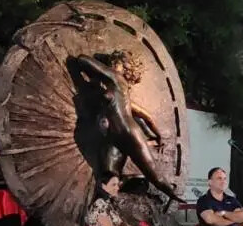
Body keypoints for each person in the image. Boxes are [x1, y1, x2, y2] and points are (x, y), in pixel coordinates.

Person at [77, 51, 184, 203]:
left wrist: (159, 136)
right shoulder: (119, 93)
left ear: (123, 67)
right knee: (107, 178)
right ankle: (130, 184)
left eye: (116, 63)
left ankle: (175, 197)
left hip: (128, 133)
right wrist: (157, 135)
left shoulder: (116, 78)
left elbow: (83, 59)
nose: (112, 66)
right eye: (111, 63)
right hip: (113, 138)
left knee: (155, 176)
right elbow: (146, 116)